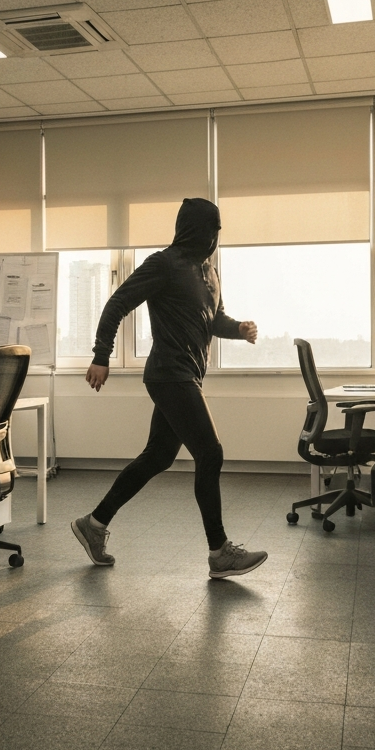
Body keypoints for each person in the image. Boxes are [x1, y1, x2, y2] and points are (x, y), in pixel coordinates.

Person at [71, 198, 269, 579]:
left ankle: (93, 525)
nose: (216, 238)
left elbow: (213, 320)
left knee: (158, 457)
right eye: (212, 230)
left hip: (187, 375)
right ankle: (219, 553)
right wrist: (101, 355)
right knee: (210, 454)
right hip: (169, 374)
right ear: (197, 229)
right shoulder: (164, 264)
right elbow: (117, 303)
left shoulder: (209, 273)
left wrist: (238, 329)